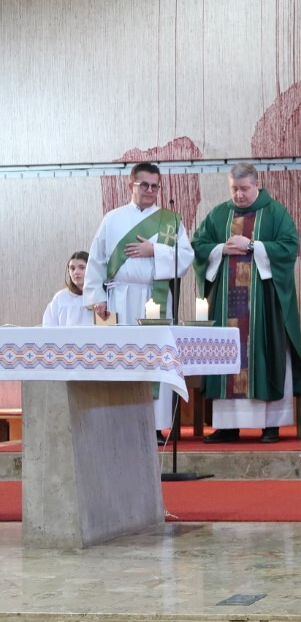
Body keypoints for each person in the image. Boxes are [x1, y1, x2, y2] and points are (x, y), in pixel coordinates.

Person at [193, 163, 301, 445]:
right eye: (234, 189)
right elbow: (198, 245)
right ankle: (228, 426)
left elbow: (289, 246)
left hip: (264, 303)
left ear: (257, 184)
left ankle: (270, 424)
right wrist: (221, 249)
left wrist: (253, 246)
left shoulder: (275, 212)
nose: (239, 195)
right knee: (227, 357)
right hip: (227, 304)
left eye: (244, 189)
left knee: (265, 354)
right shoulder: (219, 214)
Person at [83, 162, 195, 443]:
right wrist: (97, 297)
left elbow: (186, 257)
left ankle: (154, 426)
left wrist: (154, 250)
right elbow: (96, 259)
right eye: (144, 185)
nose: (150, 190)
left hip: (156, 297)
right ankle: (120, 424)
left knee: (155, 360)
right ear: (131, 185)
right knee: (121, 358)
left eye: (155, 186)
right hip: (119, 299)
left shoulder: (171, 220)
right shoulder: (112, 219)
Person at [42, 251, 93, 327]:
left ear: (92, 269)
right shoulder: (60, 297)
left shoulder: (100, 297)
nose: (76, 272)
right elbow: (49, 326)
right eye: (72, 268)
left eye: (82, 268)